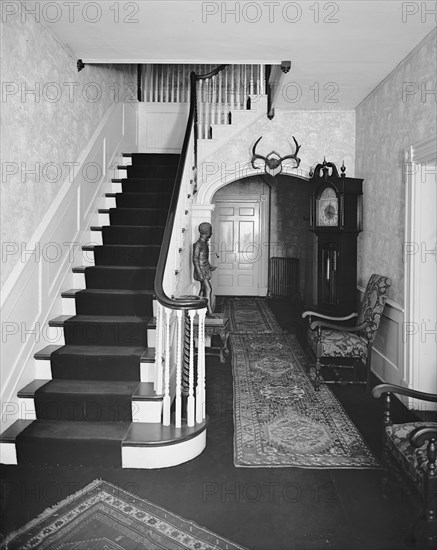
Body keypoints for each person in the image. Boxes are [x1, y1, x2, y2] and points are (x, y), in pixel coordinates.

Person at [192, 222, 217, 316]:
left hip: (205, 269)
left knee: (203, 289)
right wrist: (199, 273)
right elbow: (195, 259)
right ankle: (209, 312)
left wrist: (210, 266)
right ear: (206, 231)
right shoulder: (198, 244)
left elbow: (204, 258)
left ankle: (197, 309)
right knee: (208, 289)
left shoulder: (204, 243)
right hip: (201, 270)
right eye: (210, 230)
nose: (212, 232)